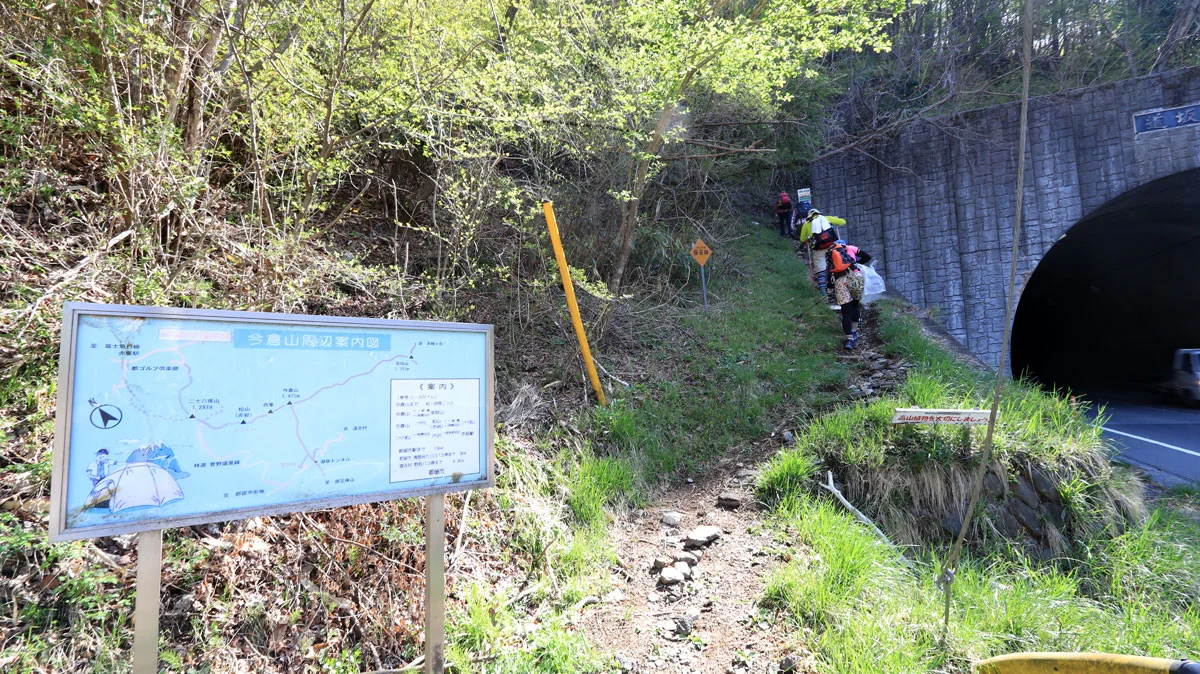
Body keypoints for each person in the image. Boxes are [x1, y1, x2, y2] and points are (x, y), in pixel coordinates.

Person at [826, 243, 866, 350]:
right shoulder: (851, 248)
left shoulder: (831, 253)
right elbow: (867, 257)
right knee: (855, 304)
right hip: (855, 277)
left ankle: (849, 339)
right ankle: (854, 331)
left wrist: (830, 287)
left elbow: (829, 272)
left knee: (846, 311)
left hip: (840, 280)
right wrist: (857, 264)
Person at [802, 208, 846, 295]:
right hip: (832, 246)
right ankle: (838, 286)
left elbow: (802, 239)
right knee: (835, 263)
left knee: (820, 268)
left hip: (818, 248)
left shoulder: (806, 224)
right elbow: (843, 222)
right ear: (818, 213)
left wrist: (808, 237)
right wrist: (836, 219)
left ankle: (823, 290)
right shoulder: (827, 218)